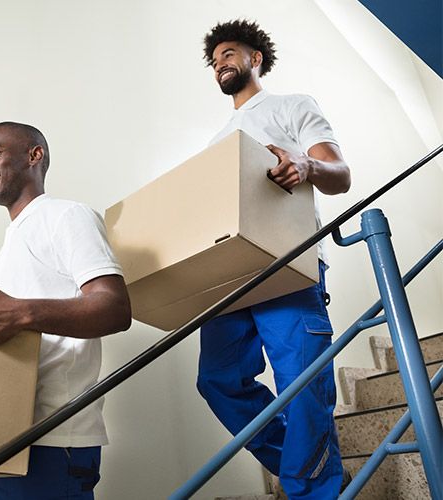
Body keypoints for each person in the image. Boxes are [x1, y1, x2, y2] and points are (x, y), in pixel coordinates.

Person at [197, 20, 352, 499]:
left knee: (301, 384)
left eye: (229, 53)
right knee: (218, 382)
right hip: (232, 275)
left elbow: (340, 175)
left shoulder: (291, 106)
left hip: (290, 264)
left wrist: (306, 165)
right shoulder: (217, 142)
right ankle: (303, 463)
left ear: (255, 58)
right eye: (215, 59)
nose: (221, 62)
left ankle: (314, 489)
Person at [0, 122, 131, 500]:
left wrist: (18, 313)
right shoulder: (5, 253)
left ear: (35, 155)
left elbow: (114, 307)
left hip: (50, 436)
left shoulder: (67, 216)